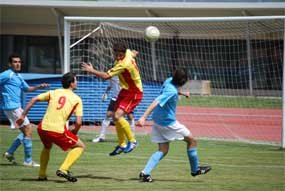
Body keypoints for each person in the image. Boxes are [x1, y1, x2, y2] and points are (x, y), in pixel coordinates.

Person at [136, 68, 211, 182]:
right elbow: (157, 101)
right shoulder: (171, 91)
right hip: (168, 122)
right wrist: (143, 117)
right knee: (192, 141)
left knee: (163, 150)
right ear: (183, 81)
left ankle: (145, 173)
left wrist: (182, 93)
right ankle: (195, 170)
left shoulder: (168, 81)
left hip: (157, 120)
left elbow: (173, 90)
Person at [16, 72, 85, 182]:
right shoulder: (77, 99)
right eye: (76, 81)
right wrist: (75, 131)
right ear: (71, 83)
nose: (77, 83)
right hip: (57, 130)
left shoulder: (53, 92)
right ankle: (63, 169)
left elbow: (34, 99)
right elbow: (78, 123)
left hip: (42, 128)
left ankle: (42, 175)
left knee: (47, 147)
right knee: (80, 146)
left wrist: (23, 115)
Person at [81, 42, 143, 156]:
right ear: (114, 52)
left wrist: (91, 70)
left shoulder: (124, 64)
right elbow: (132, 53)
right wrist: (134, 53)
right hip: (125, 90)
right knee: (114, 116)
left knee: (118, 116)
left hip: (134, 92)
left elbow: (105, 76)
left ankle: (133, 141)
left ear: (124, 54)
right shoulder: (128, 53)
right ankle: (122, 144)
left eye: (121, 55)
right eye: (117, 55)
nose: (119, 57)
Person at [0, 53, 49, 167]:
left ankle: (10, 152)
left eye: (19, 62)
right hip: (12, 107)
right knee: (28, 130)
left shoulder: (18, 76)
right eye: (15, 62)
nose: (18, 64)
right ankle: (28, 161)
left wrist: (38, 87)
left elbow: (26, 89)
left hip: (15, 107)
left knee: (27, 131)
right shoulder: (7, 74)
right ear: (10, 64)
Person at [92, 76, 135, 143]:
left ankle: (132, 137)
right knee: (108, 114)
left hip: (126, 98)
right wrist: (106, 93)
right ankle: (101, 137)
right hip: (115, 98)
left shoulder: (126, 73)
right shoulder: (112, 74)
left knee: (130, 116)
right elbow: (110, 85)